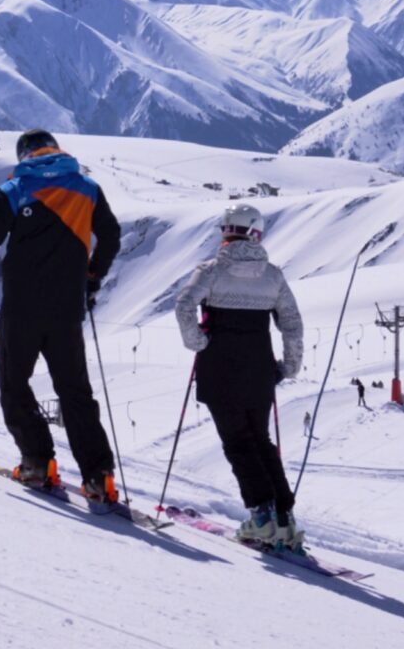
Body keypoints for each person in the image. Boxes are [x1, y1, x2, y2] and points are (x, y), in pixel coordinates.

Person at [0, 128, 122, 503]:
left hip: (21, 308)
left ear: (24, 155)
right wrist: (92, 277)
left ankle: (37, 463)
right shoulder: (88, 188)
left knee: (14, 383)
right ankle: (99, 477)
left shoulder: (13, 189)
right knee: (75, 392)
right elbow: (112, 235)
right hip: (67, 309)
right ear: (56, 150)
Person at [173, 204, 304, 548]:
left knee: (238, 443)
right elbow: (291, 322)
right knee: (261, 440)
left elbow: (184, 305)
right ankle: (284, 520)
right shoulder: (273, 276)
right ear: (257, 234)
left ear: (226, 232)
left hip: (219, 370)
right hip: (260, 372)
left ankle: (261, 518)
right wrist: (290, 365)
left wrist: (196, 341)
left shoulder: (211, 271)